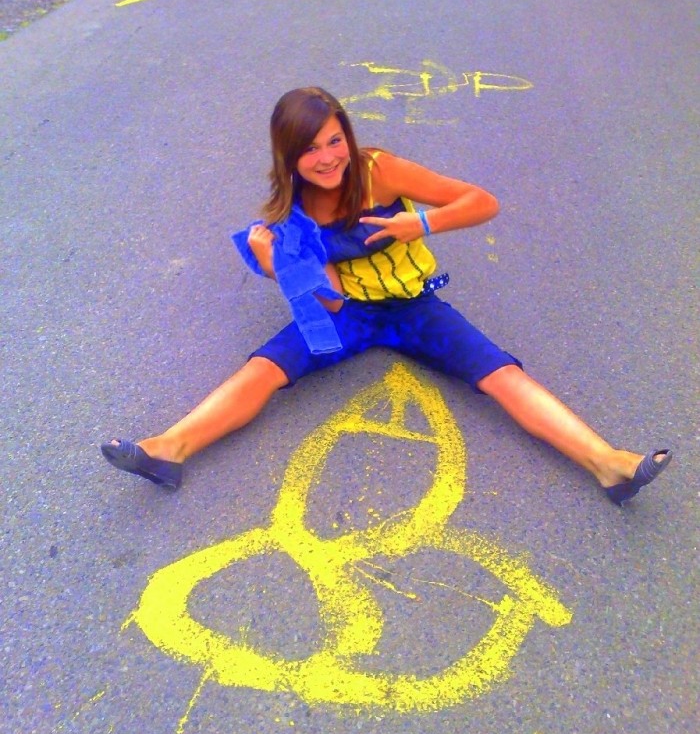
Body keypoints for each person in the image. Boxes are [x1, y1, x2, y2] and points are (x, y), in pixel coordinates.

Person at [101, 86, 671, 505]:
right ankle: (170, 449)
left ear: (348, 136)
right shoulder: (292, 216)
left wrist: (417, 224)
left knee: (501, 374)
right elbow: (328, 303)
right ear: (288, 156)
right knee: (263, 369)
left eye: (335, 140)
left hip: (415, 307)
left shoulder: (379, 171)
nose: (328, 157)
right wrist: (278, 267)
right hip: (351, 313)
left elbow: (482, 202)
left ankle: (608, 464)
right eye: (310, 149)